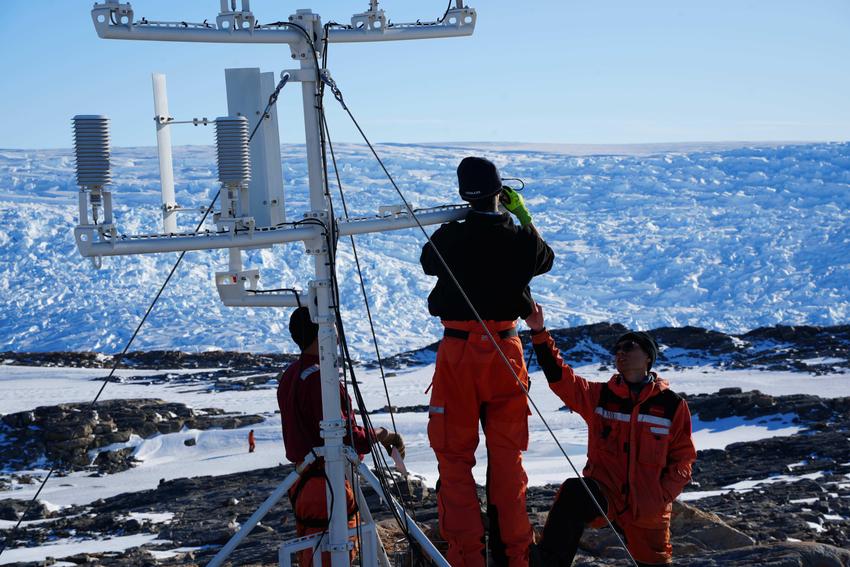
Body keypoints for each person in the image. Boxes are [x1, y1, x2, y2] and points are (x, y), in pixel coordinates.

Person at [420, 156, 555, 567]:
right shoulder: (518, 238)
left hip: (459, 351)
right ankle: (516, 556)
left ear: (463, 195)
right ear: (502, 192)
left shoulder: (452, 236)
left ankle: (467, 558)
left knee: (455, 458)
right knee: (508, 459)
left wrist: (459, 222)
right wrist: (521, 215)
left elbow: (428, 261)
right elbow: (544, 259)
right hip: (505, 348)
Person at [524, 302, 696, 567]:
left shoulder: (671, 405)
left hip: (648, 508)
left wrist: (661, 495)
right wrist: (539, 332)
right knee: (575, 492)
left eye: (629, 347)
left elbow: (683, 458)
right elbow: (561, 379)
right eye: (617, 349)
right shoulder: (600, 396)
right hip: (606, 493)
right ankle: (548, 563)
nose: (620, 353)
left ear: (648, 357)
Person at [277, 306, 405, 567]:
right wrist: (382, 434)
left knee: (314, 553)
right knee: (334, 553)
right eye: (331, 327)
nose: (337, 334)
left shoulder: (292, 374)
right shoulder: (319, 380)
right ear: (320, 332)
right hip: (327, 483)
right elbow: (346, 437)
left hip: (303, 482)